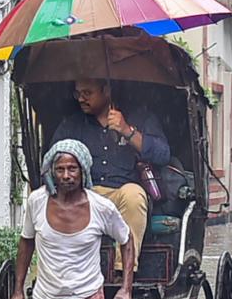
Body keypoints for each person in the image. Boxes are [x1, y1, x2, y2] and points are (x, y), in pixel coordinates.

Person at [8, 139, 135, 299]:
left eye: (72, 169)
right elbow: (26, 242)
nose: (66, 176)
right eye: (60, 170)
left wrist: (126, 289)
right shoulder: (36, 202)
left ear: (83, 170)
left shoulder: (102, 208)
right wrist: (18, 291)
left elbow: (126, 239)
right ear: (52, 173)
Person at [50, 78, 170, 274]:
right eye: (77, 94)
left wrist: (127, 130)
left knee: (133, 194)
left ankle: (124, 271)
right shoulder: (72, 125)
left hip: (123, 195)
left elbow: (163, 154)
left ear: (106, 90)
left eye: (87, 93)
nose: (81, 99)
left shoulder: (140, 117)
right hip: (85, 194)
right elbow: (52, 159)